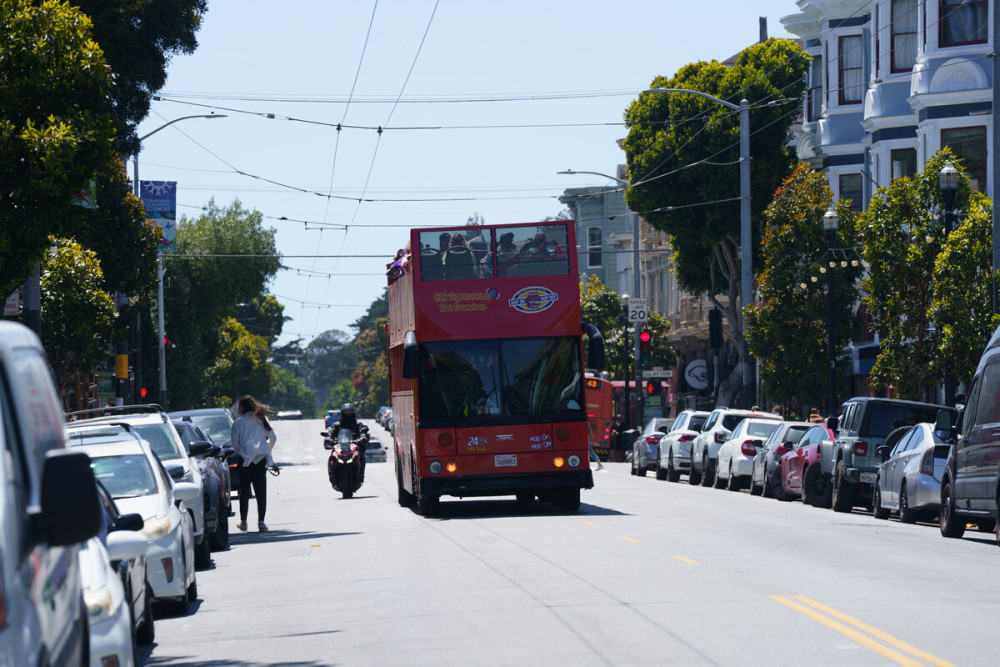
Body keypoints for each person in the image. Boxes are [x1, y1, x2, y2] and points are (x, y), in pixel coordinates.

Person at [231, 395, 277, 532]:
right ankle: (261, 522)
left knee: (244, 492)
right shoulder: (262, 419)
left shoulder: (238, 423)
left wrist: (245, 454)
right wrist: (266, 450)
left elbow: (235, 445)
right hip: (260, 461)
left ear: (243, 407)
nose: (237, 408)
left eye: (239, 406)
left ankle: (243, 521)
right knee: (261, 492)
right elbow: (273, 437)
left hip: (244, 462)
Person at [328, 403, 369, 483]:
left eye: (350, 414)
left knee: (362, 457)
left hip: (353, 447)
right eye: (346, 414)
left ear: (353, 415)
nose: (348, 417)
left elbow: (363, 432)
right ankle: (332, 475)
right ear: (342, 414)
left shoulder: (358, 425)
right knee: (331, 457)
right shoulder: (337, 425)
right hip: (340, 448)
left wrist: (362, 438)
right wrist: (329, 439)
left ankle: (361, 475)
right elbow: (330, 433)